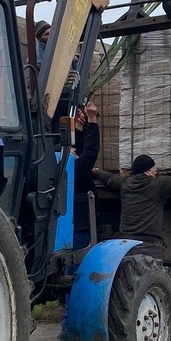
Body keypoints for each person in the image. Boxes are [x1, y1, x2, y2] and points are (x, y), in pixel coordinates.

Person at [94, 154, 171, 259]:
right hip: (149, 244)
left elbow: (110, 178)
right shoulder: (157, 185)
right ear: (146, 172)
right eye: (153, 168)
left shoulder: (125, 184)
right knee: (151, 271)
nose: (156, 170)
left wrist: (97, 171)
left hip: (127, 244)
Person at [71, 100, 101, 248]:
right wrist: (92, 119)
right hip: (81, 224)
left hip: (72, 222)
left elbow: (80, 149)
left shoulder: (56, 167)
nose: (74, 150)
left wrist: (78, 127)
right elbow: (90, 151)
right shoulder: (76, 170)